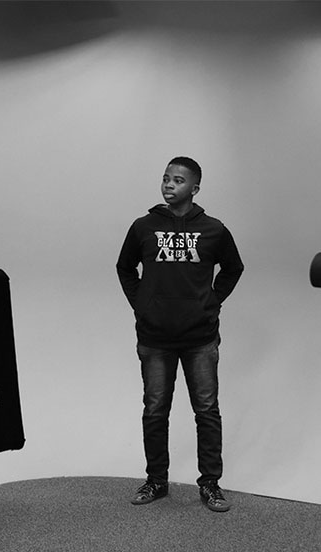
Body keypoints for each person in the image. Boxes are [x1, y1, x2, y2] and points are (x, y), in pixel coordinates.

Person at [116, 156, 244, 512]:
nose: (170, 185)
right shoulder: (143, 227)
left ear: (195, 188)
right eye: (166, 178)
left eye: (178, 180)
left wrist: (211, 302)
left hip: (200, 337)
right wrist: (142, 303)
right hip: (155, 337)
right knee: (155, 410)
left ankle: (211, 484)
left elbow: (234, 268)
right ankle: (157, 480)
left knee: (206, 410)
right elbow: (125, 267)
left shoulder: (214, 229)